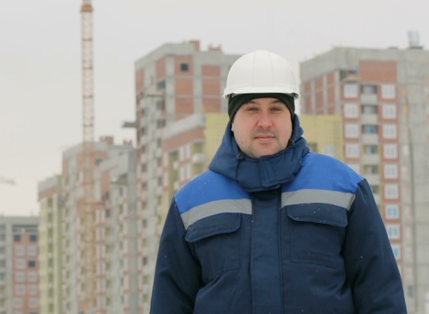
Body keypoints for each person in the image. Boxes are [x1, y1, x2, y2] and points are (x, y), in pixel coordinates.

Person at [150, 50, 407, 313]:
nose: (265, 122)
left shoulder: (344, 187)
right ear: (233, 119)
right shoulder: (191, 203)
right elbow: (169, 304)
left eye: (276, 109)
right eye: (251, 109)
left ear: (291, 117)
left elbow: (381, 296)